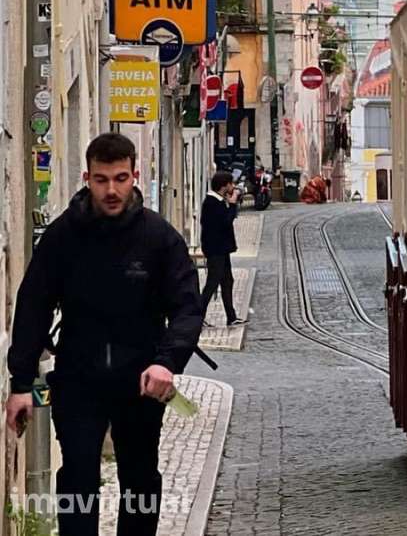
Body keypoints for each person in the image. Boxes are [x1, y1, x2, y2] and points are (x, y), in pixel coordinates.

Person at [4, 133, 204, 536]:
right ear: (86, 178)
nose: (111, 189)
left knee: (140, 480)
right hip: (79, 377)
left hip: (142, 380)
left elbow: (186, 308)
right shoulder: (63, 237)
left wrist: (167, 362)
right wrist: (21, 382)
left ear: (134, 176)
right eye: (101, 179)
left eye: (120, 178)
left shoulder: (160, 238)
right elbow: (33, 306)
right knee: (78, 477)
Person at [200, 171, 246, 327]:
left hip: (221, 249)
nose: (233, 187)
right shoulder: (212, 203)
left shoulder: (218, 201)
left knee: (227, 281)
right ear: (224, 186)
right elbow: (225, 222)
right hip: (215, 250)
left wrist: (230, 204)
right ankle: (197, 318)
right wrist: (232, 204)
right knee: (212, 283)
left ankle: (231, 317)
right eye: (231, 184)